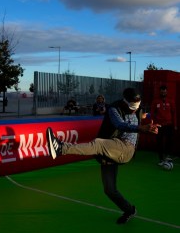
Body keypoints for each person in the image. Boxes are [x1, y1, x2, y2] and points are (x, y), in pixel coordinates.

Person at [46, 88, 160, 224]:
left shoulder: (139, 110)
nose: (134, 110)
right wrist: (140, 128)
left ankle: (61, 148)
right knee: (109, 190)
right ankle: (129, 210)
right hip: (112, 148)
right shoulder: (114, 109)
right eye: (131, 107)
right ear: (124, 101)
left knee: (98, 144)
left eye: (136, 107)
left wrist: (151, 124)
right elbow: (120, 124)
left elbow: (143, 115)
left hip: (126, 149)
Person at [150, 85, 177, 165]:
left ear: (166, 92)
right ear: (160, 92)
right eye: (162, 91)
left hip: (169, 124)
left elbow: (174, 113)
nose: (163, 93)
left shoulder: (171, 101)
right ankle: (161, 159)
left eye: (164, 91)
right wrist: (154, 123)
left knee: (169, 141)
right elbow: (152, 113)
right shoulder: (155, 101)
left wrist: (175, 125)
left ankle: (168, 157)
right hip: (159, 125)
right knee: (159, 142)